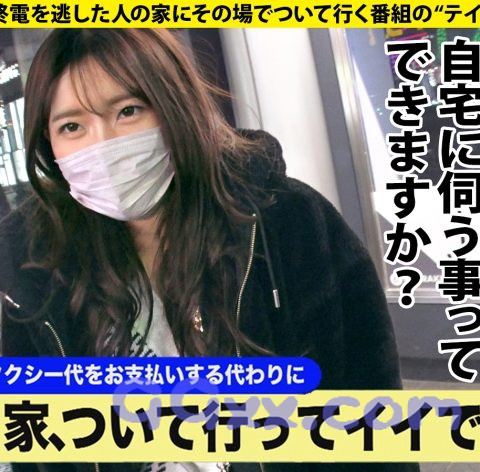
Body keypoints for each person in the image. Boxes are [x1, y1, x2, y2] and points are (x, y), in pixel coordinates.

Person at [0, 29, 418, 472]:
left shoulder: (291, 224)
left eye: (128, 111)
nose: (102, 145)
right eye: (71, 127)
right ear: (48, 145)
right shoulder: (29, 269)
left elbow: (373, 416)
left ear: (174, 107)